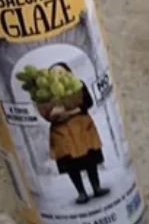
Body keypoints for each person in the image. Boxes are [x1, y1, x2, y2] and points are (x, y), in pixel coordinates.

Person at [43, 63, 109, 205]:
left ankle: (96, 187)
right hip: (62, 133)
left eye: (61, 72)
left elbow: (87, 103)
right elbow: (47, 114)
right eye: (54, 74)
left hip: (82, 127)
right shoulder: (47, 94)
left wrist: (68, 112)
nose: (58, 76)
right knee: (71, 164)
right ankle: (81, 193)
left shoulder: (78, 85)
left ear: (68, 72)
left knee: (90, 159)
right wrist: (55, 114)